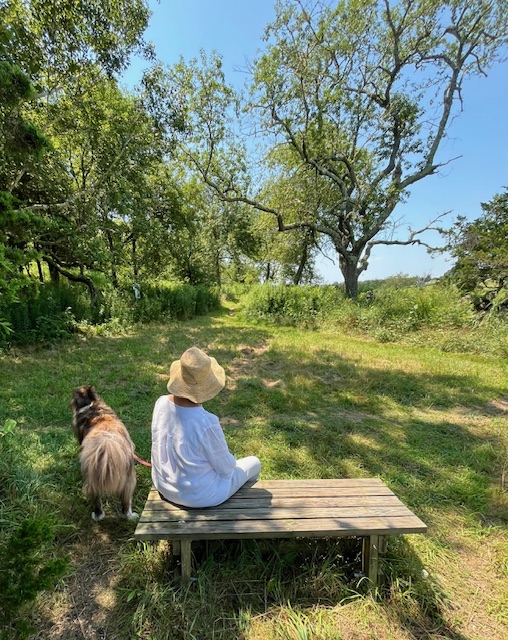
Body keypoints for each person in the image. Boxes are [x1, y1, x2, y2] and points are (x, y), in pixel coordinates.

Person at [151, 346, 261, 508]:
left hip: (164, 485)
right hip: (201, 496)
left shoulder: (160, 403)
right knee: (254, 462)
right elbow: (226, 468)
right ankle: (244, 508)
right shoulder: (206, 422)